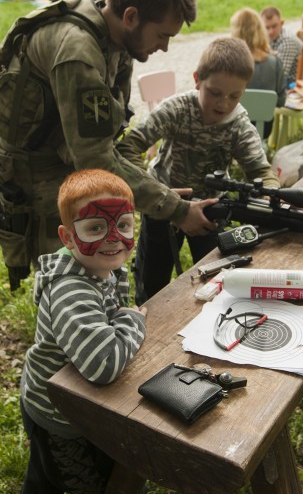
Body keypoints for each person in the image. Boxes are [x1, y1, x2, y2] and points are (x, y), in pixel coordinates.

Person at [0, 0, 216, 290]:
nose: (164, 47)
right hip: (38, 175)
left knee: (99, 276)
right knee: (70, 286)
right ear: (132, 16)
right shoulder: (78, 52)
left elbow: (107, 142)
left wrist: (158, 194)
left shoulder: (118, 38)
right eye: (162, 35)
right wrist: (176, 209)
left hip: (68, 158)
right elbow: (95, 159)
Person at [117, 38, 279, 304]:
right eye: (215, 93)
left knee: (218, 278)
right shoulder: (177, 108)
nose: (224, 104)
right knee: (152, 280)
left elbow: (261, 171)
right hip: (163, 204)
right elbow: (129, 147)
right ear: (197, 80)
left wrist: (271, 200)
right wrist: (155, 192)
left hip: (210, 211)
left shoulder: (239, 124)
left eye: (235, 96)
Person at [18, 168, 147, 494]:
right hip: (60, 413)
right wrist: (132, 321)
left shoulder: (101, 264)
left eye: (123, 224)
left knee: (43, 481)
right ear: (67, 238)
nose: (113, 238)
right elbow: (104, 365)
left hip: (60, 397)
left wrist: (119, 321)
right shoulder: (71, 290)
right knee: (107, 489)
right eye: (95, 227)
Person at [231, 7, 286, 111]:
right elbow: (281, 101)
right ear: (261, 30)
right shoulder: (275, 63)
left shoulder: (230, 64)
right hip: (264, 126)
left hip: (235, 125)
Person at [260, 6, 302, 87]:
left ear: (282, 23)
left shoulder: (287, 42)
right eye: (266, 27)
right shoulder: (269, 37)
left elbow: (280, 76)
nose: (270, 31)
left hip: (293, 83)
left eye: (274, 26)